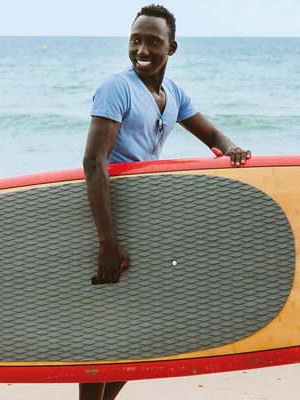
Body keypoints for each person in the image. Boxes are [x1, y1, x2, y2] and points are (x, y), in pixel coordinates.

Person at [79, 4, 252, 400]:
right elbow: (93, 162)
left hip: (145, 220)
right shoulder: (116, 88)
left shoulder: (171, 94)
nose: (142, 49)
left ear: (171, 48)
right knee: (105, 329)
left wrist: (232, 150)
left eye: (153, 42)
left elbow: (211, 135)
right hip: (109, 217)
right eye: (135, 40)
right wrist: (107, 241)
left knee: (147, 334)